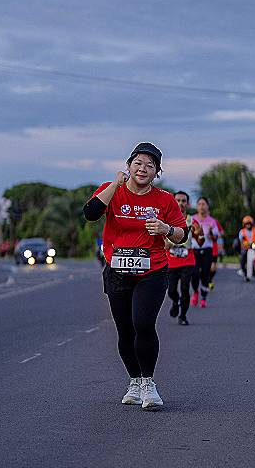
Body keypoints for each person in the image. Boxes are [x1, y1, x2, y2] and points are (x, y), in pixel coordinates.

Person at [83, 142, 188, 410]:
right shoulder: (112, 190)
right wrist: (114, 185)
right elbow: (90, 214)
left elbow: (182, 235)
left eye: (150, 166)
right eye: (138, 163)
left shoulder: (164, 199)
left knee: (143, 323)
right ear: (128, 166)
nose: (143, 169)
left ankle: (148, 383)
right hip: (117, 271)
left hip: (152, 270)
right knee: (125, 329)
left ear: (157, 172)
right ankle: (134, 380)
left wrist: (165, 229)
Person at [165, 191, 203, 326]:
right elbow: (163, 244)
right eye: (178, 200)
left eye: (183, 201)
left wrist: (200, 234)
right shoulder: (167, 221)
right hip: (171, 261)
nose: (180, 203)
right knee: (171, 290)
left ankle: (183, 316)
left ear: (188, 204)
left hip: (188, 261)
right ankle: (175, 301)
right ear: (173, 202)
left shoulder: (192, 221)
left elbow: (200, 242)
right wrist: (168, 243)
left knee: (185, 289)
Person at [190, 197, 218, 308]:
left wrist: (210, 232)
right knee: (194, 273)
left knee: (205, 274)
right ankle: (195, 292)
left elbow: (215, 239)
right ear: (196, 206)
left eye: (204, 204)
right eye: (199, 204)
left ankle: (203, 297)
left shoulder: (212, 221)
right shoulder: (192, 219)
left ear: (207, 206)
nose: (201, 206)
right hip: (194, 250)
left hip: (207, 251)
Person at [238, 216, 255, 281]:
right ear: (244, 224)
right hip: (246, 247)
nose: (248, 225)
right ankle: (242, 269)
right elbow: (241, 242)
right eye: (247, 224)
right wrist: (243, 246)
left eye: (249, 224)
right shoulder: (242, 231)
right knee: (243, 254)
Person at [209, 219, 225, 290]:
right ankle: (206, 281)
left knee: (213, 268)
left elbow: (222, 232)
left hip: (213, 248)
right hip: (203, 248)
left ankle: (209, 280)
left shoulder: (214, 221)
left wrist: (216, 235)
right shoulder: (198, 220)